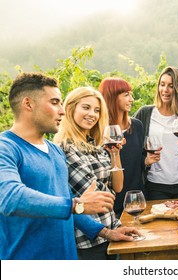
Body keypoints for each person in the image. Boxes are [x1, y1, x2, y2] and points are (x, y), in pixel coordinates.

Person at [0, 73, 140, 260]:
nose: (63, 110)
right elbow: (10, 197)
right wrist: (76, 204)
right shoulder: (6, 148)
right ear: (28, 104)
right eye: (55, 102)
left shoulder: (54, 151)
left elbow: (68, 203)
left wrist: (105, 232)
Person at [53, 86, 129, 259]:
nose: (92, 114)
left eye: (97, 110)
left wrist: (115, 154)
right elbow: (100, 196)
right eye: (86, 108)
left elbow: (117, 187)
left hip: (110, 229)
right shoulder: (64, 149)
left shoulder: (97, 147)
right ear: (71, 108)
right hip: (87, 239)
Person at [134, 66, 178, 200]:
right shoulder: (145, 114)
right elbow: (132, 149)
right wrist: (145, 161)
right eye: (162, 84)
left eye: (171, 86)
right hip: (155, 184)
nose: (165, 90)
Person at [99, 77, 159, 217]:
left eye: (130, 94)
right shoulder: (99, 132)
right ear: (112, 97)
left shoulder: (136, 126)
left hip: (136, 199)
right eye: (126, 95)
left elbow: (136, 160)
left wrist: (146, 161)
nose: (131, 99)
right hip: (110, 204)